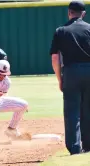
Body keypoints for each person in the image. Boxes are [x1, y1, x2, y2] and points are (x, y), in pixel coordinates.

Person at [50, 0, 90, 155]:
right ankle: (88, 146)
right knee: (88, 109)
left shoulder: (61, 31)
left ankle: (74, 148)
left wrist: (60, 79)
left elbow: (55, 58)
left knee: (72, 111)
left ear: (69, 12)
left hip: (71, 72)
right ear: (83, 14)